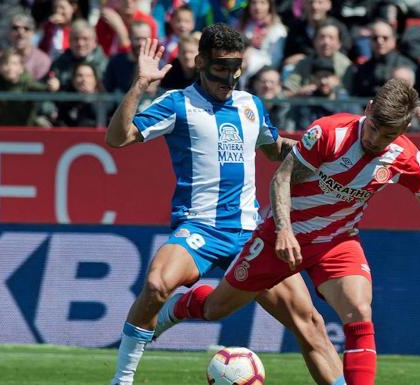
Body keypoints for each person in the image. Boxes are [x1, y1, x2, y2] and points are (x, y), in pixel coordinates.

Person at [159, 78, 420, 385]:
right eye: (373, 128)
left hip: (337, 242)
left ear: (405, 127)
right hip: (283, 238)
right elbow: (281, 178)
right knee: (217, 308)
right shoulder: (328, 132)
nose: (375, 139)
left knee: (359, 311)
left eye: (388, 135)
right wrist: (282, 230)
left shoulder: (404, 157)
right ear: (368, 109)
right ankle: (180, 306)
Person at [105, 23, 345, 385]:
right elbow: (117, 138)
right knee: (156, 285)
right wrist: (141, 85)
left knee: (308, 323)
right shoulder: (177, 103)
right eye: (220, 68)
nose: (229, 77)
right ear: (200, 61)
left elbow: (270, 148)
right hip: (199, 227)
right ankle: (121, 380)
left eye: (237, 69)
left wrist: (313, 152)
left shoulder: (251, 105)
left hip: (251, 233)